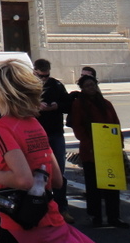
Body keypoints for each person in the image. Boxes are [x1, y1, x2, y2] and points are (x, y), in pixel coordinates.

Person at [0, 59, 94, 243]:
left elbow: (24, 179)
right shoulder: (34, 123)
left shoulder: (0, 126)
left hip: (19, 225)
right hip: (49, 219)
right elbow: (56, 180)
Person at [69, 74, 128, 228]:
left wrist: (119, 142)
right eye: (87, 86)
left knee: (112, 184)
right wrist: (89, 143)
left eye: (93, 85)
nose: (91, 88)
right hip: (91, 150)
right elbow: (78, 126)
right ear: (82, 88)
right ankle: (96, 216)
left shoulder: (106, 103)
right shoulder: (79, 104)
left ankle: (114, 216)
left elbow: (116, 123)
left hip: (109, 149)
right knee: (93, 185)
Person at [33, 59, 73, 224]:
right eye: (40, 76)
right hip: (36, 134)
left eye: (46, 76)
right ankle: (39, 210)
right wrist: (36, 106)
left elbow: (68, 104)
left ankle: (62, 208)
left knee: (59, 172)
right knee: (38, 173)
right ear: (34, 72)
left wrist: (57, 106)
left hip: (55, 133)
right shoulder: (28, 86)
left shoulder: (56, 85)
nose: (43, 79)